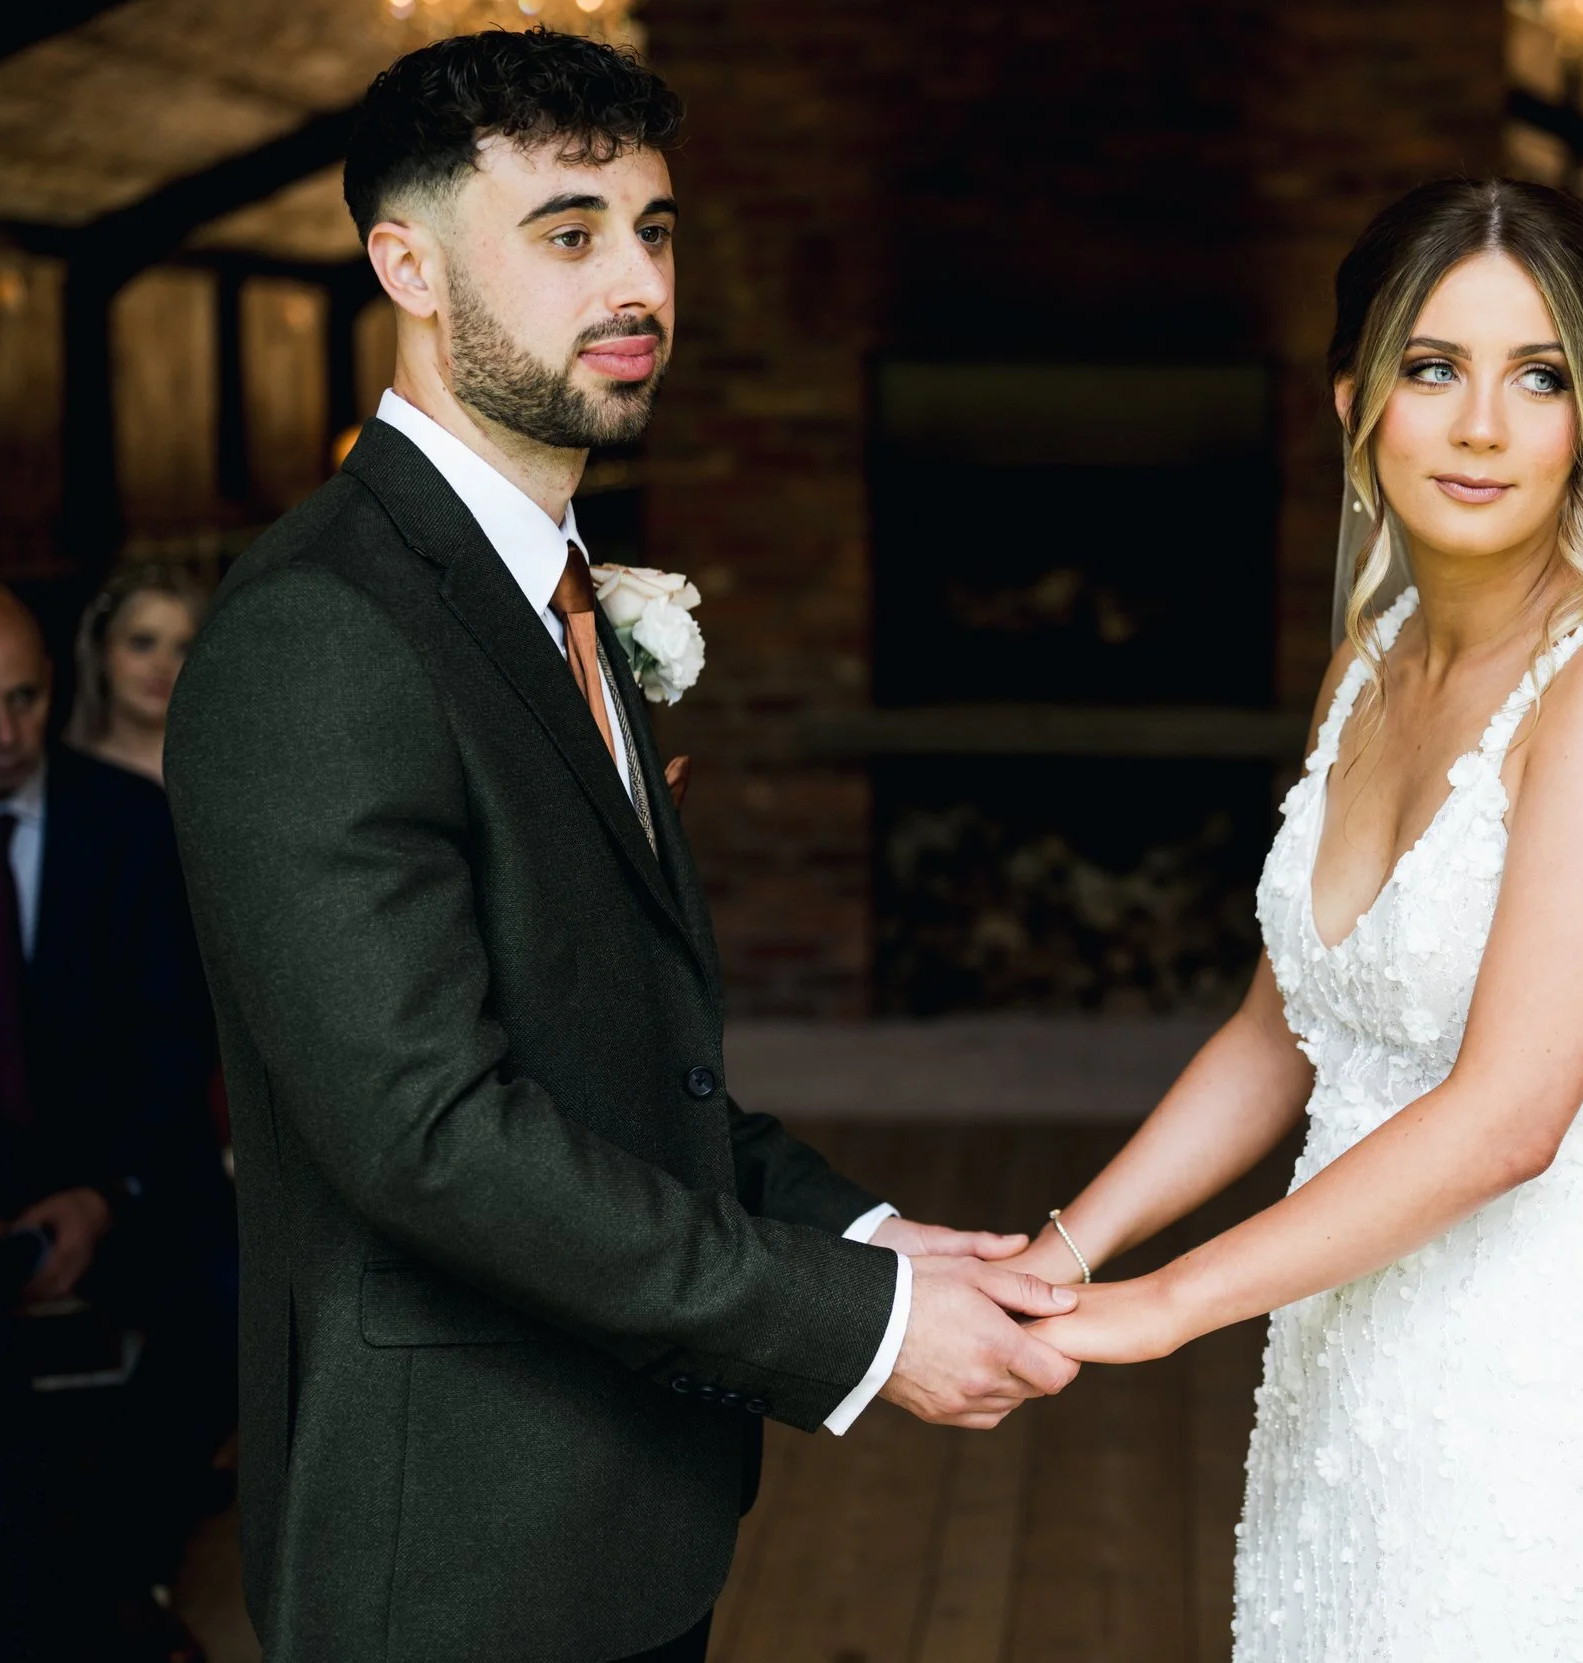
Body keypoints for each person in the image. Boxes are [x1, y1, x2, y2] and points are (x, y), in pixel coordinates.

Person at [162, 33, 1076, 1663]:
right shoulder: (321, 631)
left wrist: (863, 1235)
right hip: (454, 1544)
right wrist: (854, 1329)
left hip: (623, 1513)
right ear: (408, 264)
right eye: (568, 233)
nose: (637, 281)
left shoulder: (565, 593)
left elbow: (624, 1055)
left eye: (654, 230)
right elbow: (428, 1133)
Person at [979, 179, 1583, 1661]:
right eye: (1434, 368)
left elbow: (1509, 1117)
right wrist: (1070, 1243)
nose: (1484, 424)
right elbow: (1278, 1026)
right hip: (1348, 1369)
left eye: (1537, 375)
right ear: (1356, 396)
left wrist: (1166, 1303)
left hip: (1541, 1402)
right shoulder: (1370, 664)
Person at [0, 581, 228, 1662]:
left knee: (233, 1285)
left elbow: (175, 1041)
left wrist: (103, 1196)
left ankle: (127, 1570)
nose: (5, 733)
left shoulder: (126, 823)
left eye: (26, 700)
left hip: (113, 1173)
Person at [63, 565, 205, 786]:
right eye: (142, 643)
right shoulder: (64, 776)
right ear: (102, 651)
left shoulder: (229, 765)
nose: (162, 665)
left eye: (182, 649)